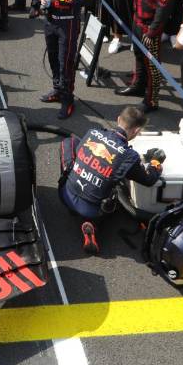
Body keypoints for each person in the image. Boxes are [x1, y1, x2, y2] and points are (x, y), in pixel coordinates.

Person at [58, 107, 164, 254]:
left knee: (69, 142)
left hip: (65, 194)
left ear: (118, 119)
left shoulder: (93, 132)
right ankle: (93, 224)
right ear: (136, 131)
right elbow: (149, 179)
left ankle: (73, 197)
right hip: (93, 210)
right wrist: (156, 162)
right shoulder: (130, 156)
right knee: (116, 188)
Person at [117, 0, 181, 109]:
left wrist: (153, 30)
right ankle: (138, 86)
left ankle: (152, 100)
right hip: (138, 21)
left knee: (152, 64)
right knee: (138, 55)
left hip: (149, 27)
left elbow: (163, 7)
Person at [36, 0, 95, 119]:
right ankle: (57, 89)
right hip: (50, 21)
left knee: (65, 63)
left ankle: (68, 99)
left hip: (69, 24)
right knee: (53, 59)